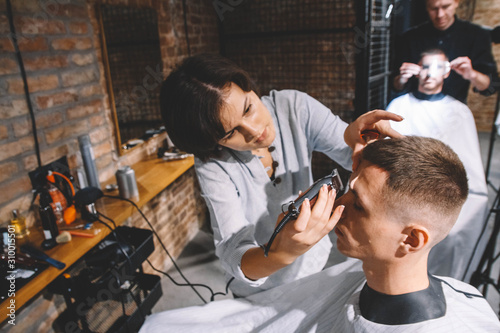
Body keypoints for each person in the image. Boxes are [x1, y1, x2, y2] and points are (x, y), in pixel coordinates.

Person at [139, 136, 500, 332]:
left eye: (356, 204)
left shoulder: (467, 315)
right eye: (347, 186)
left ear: (411, 240)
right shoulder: (353, 278)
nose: (335, 204)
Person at [160, 53, 403, 297]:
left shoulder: (294, 107)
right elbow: (233, 250)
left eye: (248, 109)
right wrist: (281, 252)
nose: (254, 131)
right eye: (230, 133)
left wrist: (359, 144)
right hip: (260, 288)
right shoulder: (213, 164)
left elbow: (354, 158)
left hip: (315, 265)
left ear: (249, 88)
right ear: (213, 142)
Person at [387, 48, 489, 280]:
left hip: (445, 188)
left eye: (437, 68)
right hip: (405, 187)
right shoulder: (399, 106)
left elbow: (468, 166)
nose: (429, 74)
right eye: (425, 67)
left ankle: (445, 281)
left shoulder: (459, 112)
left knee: (456, 231)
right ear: (417, 70)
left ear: (446, 73)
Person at [393, 0, 498, 104]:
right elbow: (395, 86)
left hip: (453, 114)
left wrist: (472, 74)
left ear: (456, 2)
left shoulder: (476, 36)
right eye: (434, 8)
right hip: (415, 110)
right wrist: (402, 79)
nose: (440, 14)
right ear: (426, 7)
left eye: (446, 6)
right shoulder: (409, 38)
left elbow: (491, 87)